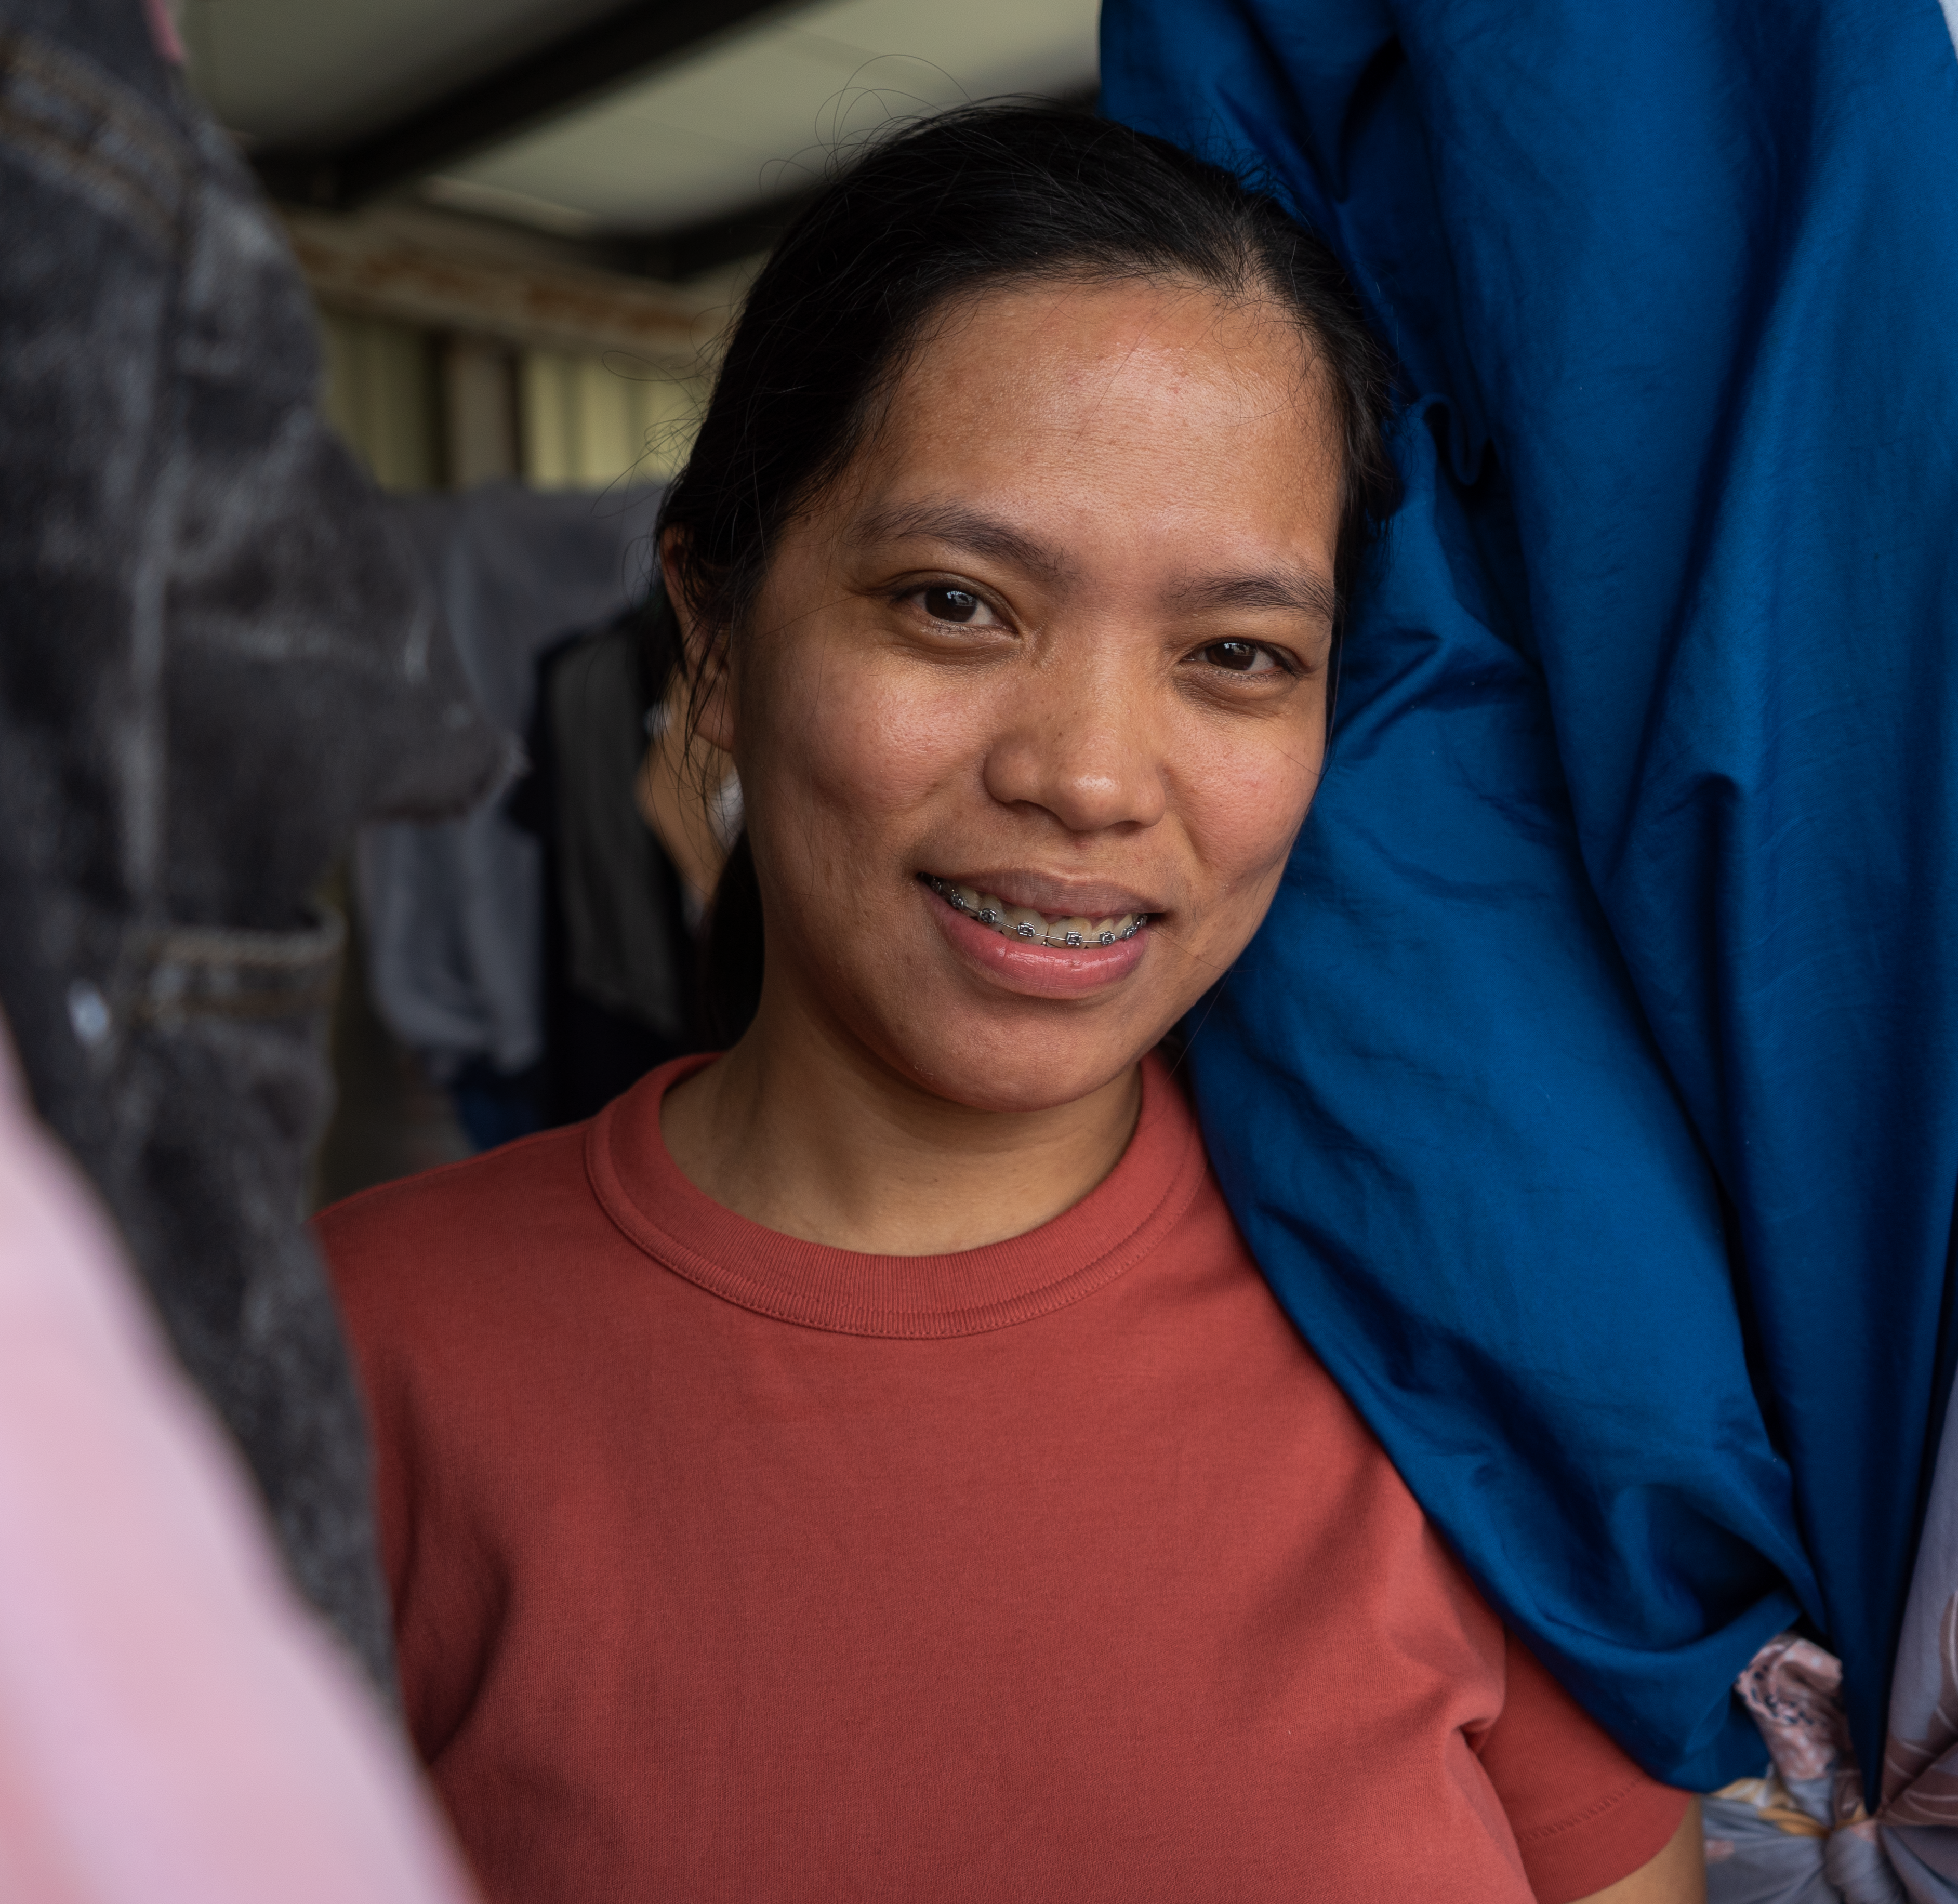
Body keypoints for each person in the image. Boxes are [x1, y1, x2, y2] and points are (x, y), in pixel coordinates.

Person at [319, 104, 1701, 1904]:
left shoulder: (1452, 1333)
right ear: (719, 641)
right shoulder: (350, 1355)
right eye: (957, 604)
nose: (1093, 778)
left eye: (1236, 655)